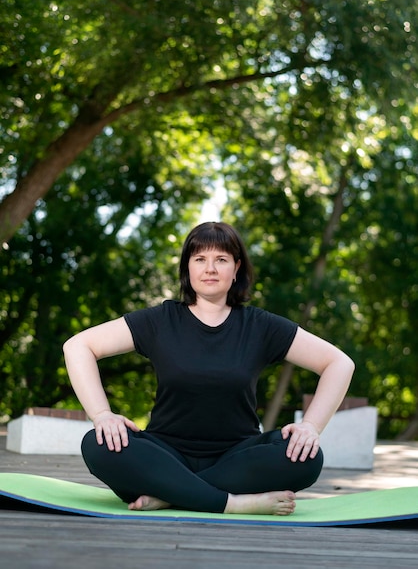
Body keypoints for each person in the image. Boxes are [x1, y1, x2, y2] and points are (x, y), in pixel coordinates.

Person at [63, 221, 354, 516]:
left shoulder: (260, 326)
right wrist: (102, 415)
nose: (210, 268)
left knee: (307, 456)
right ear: (187, 268)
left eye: (221, 260)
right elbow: (77, 346)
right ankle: (232, 503)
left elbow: (339, 363)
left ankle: (171, 494)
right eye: (200, 259)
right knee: (98, 444)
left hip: (238, 458)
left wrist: (311, 427)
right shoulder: (159, 321)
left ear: (236, 267)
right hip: (164, 455)